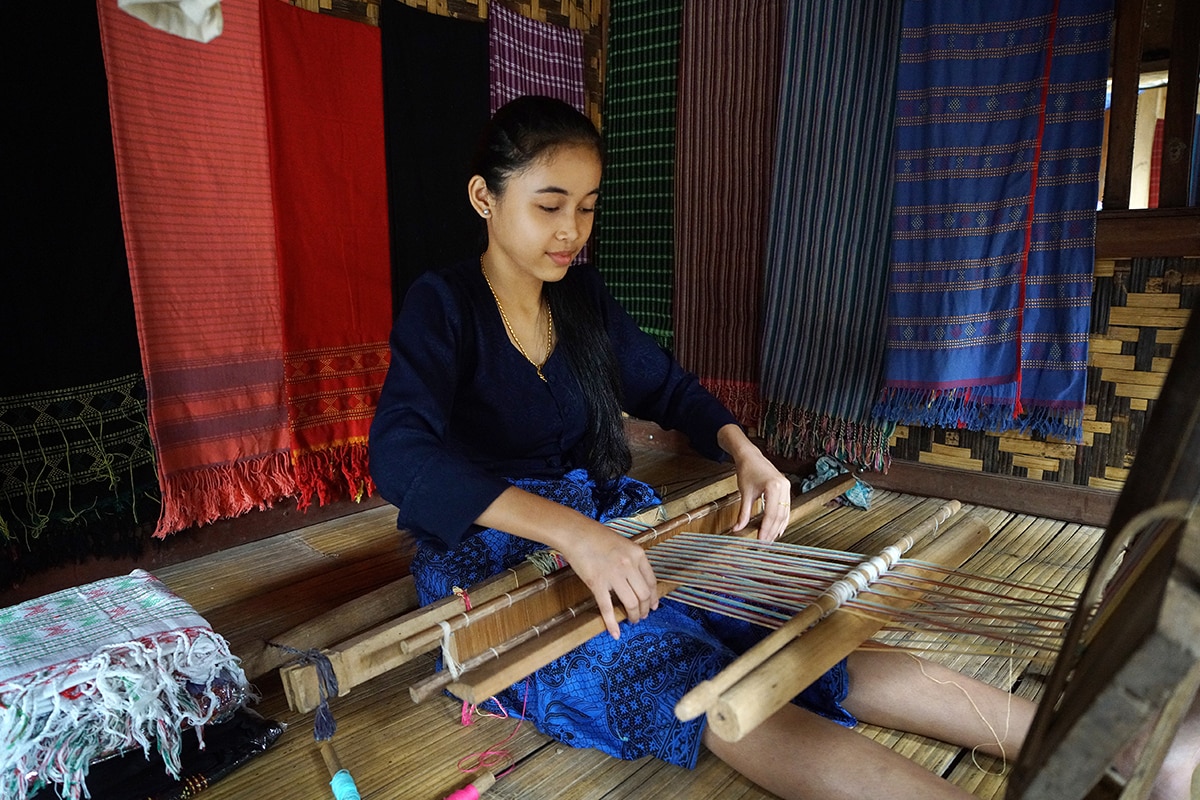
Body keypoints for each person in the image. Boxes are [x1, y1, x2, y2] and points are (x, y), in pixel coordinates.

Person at [368, 95, 1192, 799]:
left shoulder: (580, 296)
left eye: (586, 207)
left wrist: (745, 451)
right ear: (484, 197)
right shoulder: (445, 306)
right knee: (694, 683)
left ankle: (1123, 750)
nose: (571, 231)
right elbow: (401, 456)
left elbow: (669, 390)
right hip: (500, 561)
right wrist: (574, 534)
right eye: (549, 206)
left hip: (617, 533)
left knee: (797, 636)